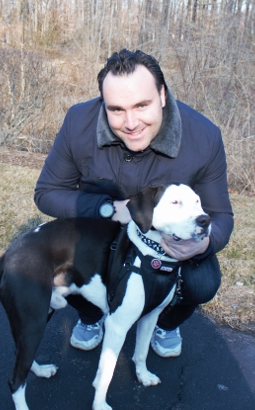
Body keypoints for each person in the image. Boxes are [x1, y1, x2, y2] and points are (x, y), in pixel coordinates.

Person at [34, 49, 233, 358]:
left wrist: (202, 245)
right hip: (103, 231)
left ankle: (164, 323)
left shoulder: (204, 137)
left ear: (162, 95)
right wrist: (108, 209)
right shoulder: (78, 121)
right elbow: (47, 192)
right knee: (68, 250)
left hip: (165, 239)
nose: (130, 122)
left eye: (142, 105)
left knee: (203, 280)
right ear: (103, 103)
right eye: (116, 109)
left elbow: (220, 215)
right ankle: (91, 316)